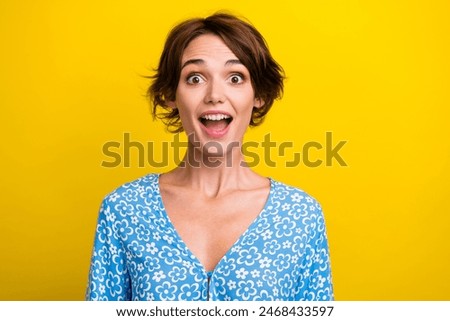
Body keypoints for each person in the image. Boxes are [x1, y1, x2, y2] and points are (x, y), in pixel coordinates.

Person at [86, 12, 333, 301]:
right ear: (170, 94)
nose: (215, 94)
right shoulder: (123, 210)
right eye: (195, 78)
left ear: (259, 96)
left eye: (236, 77)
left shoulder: (300, 216)